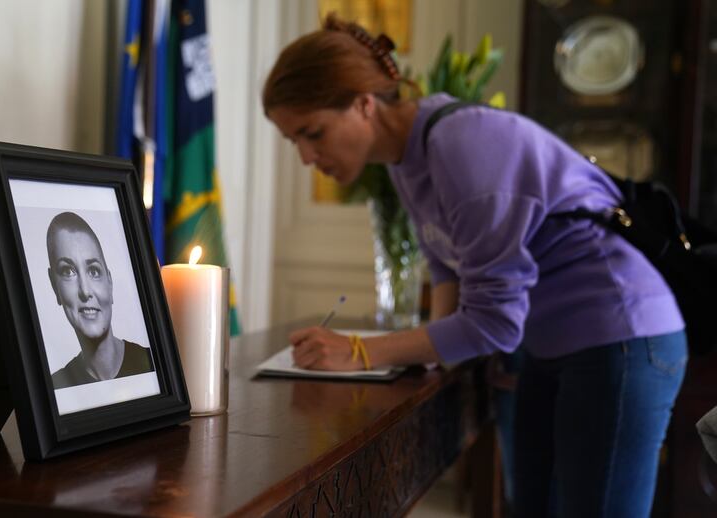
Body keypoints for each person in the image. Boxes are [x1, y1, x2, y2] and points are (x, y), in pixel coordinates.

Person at [262, 14, 687, 518]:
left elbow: (495, 322)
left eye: (313, 133)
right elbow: (450, 270)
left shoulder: (461, 143)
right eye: (294, 142)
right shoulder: (405, 158)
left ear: (363, 104)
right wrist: (432, 350)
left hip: (619, 338)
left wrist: (359, 352)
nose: (308, 157)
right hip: (549, 347)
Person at [46, 211, 153, 389]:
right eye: (68, 272)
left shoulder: (152, 366)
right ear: (54, 285)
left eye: (94, 271)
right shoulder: (55, 388)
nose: (85, 291)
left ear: (109, 282)